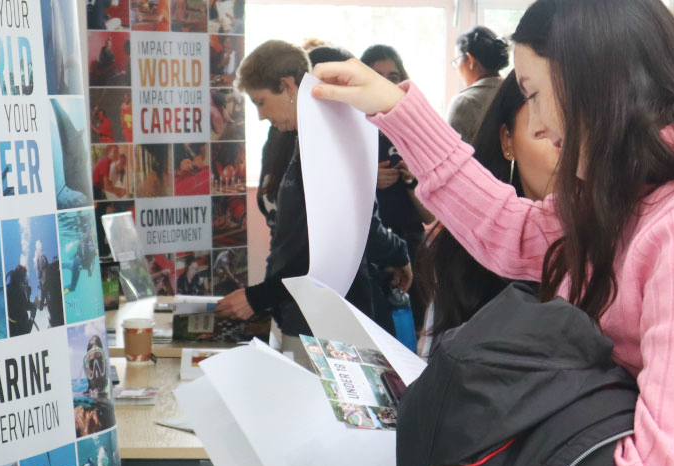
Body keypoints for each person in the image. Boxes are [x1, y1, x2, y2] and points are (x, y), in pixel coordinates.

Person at [311, 0, 674, 466]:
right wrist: (396, 110)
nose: (536, 123)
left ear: (594, 84)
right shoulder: (627, 193)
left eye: (535, 94)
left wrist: (502, 462)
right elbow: (511, 229)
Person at [217, 41, 411, 363]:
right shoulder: (294, 140)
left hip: (334, 321)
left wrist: (258, 296)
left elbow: (330, 246)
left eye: (262, 102)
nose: (261, 115)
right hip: (302, 313)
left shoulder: (329, 143)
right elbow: (290, 240)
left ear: (288, 85)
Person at [420, 71, 557, 346]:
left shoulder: (611, 243)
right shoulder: (463, 250)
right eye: (545, 130)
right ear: (508, 140)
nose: (565, 147)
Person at [361, 44, 435, 334]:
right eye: (376, 75)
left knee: (410, 332)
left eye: (393, 76)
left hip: (411, 245)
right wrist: (366, 178)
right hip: (369, 247)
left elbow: (429, 217)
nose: (385, 83)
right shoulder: (351, 128)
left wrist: (413, 181)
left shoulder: (413, 131)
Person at [447, 26, 509, 143]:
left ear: (470, 60)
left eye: (457, 61)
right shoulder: (517, 93)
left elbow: (448, 157)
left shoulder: (464, 103)